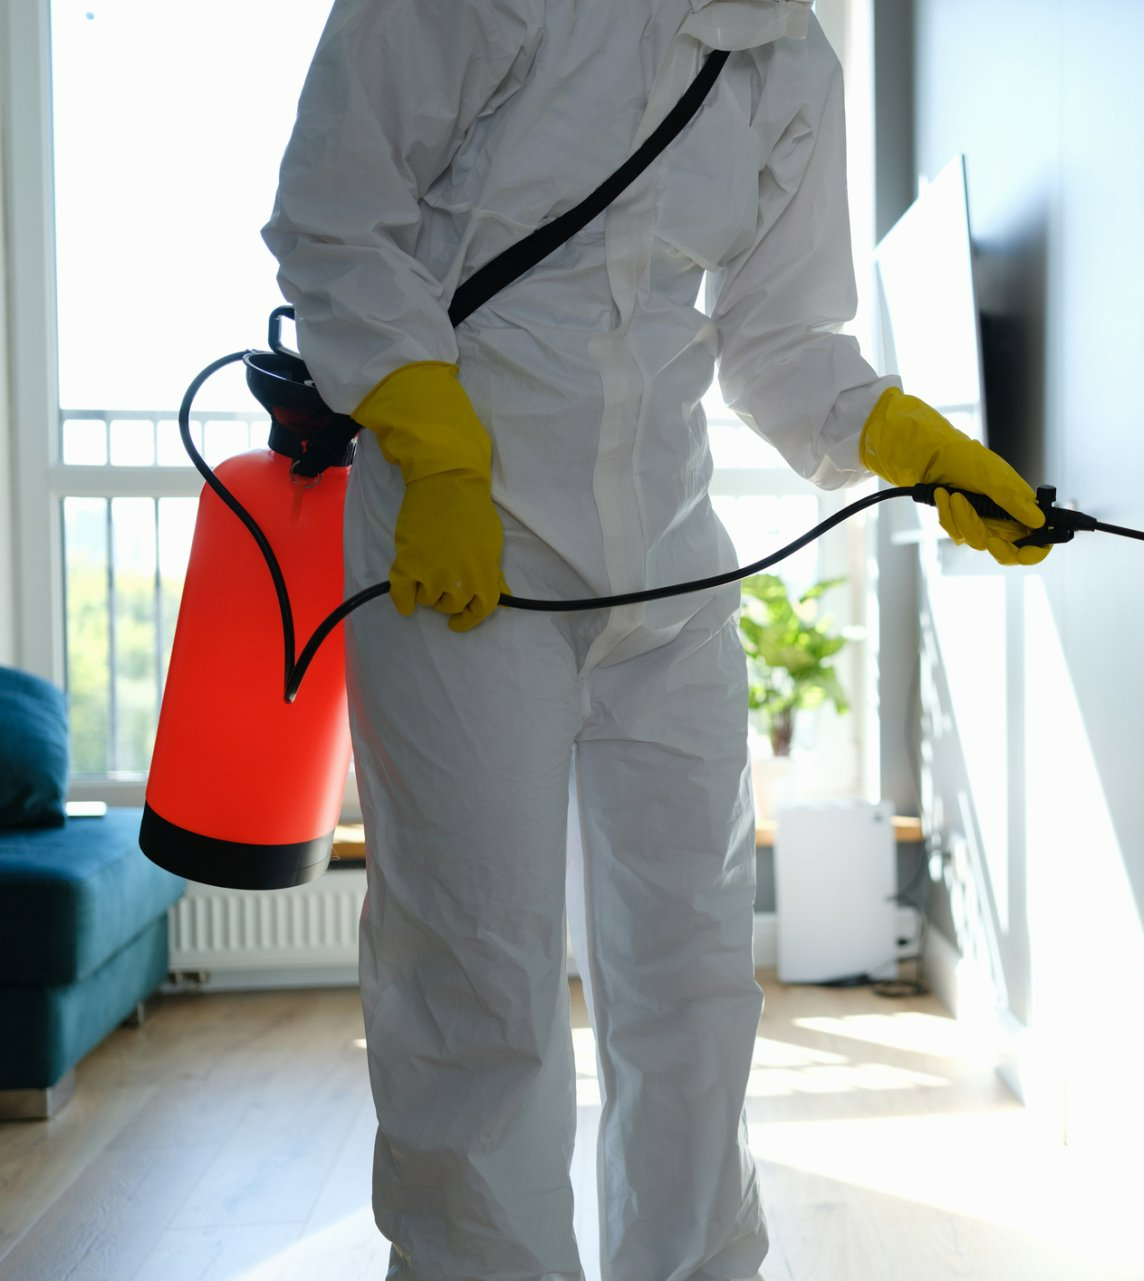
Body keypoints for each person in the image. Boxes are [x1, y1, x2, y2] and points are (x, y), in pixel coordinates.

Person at [263, 2, 1047, 1278]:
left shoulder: (789, 59)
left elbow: (782, 341)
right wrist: (440, 445)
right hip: (467, 549)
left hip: (671, 565)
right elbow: (335, 219)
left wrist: (916, 447)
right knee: (480, 980)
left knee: (691, 981)